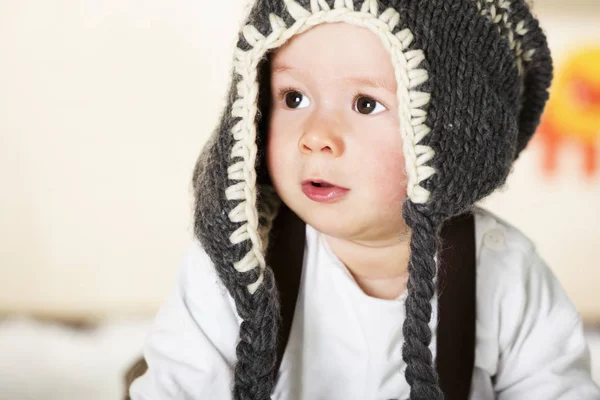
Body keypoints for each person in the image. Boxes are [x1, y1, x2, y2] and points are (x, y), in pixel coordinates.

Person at [128, 0, 600, 399]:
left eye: (365, 104)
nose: (316, 137)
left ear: (452, 135)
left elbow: (557, 387)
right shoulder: (236, 264)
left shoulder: (503, 271)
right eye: (293, 98)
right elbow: (179, 385)